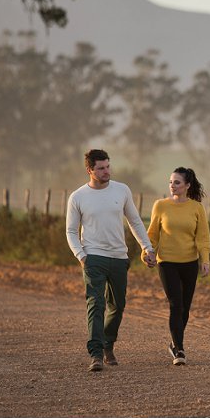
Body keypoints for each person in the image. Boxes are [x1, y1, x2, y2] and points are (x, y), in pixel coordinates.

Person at [66, 149, 157, 372]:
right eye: (101, 168)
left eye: (108, 166)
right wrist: (82, 255)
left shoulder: (122, 190)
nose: (106, 171)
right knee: (95, 304)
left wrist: (147, 247)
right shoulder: (78, 197)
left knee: (118, 305)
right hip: (93, 257)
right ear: (90, 170)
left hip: (119, 257)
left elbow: (135, 222)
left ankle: (108, 344)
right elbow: (70, 231)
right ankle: (96, 354)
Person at [145, 166, 210, 366]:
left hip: (189, 263)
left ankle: (174, 342)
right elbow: (153, 234)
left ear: (187, 186)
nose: (172, 186)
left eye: (177, 182)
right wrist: (147, 252)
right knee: (176, 304)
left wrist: (204, 259)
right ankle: (179, 349)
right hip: (167, 263)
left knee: (185, 308)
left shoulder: (197, 208)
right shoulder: (161, 205)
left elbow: (203, 236)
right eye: (170, 182)